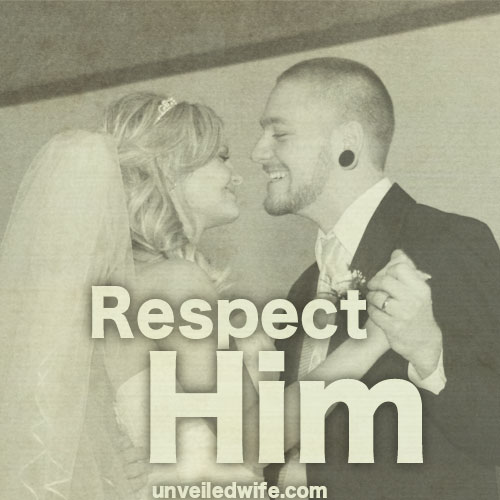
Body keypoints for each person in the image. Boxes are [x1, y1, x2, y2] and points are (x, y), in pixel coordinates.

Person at [0, 91, 390, 500]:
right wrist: (371, 342)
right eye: (221, 157)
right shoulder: (175, 283)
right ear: (170, 170)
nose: (236, 176)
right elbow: (252, 441)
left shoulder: (119, 286)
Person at [252, 58, 500, 500]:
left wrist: (430, 356)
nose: (259, 152)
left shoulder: (446, 242)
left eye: (280, 134)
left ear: (347, 142)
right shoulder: (303, 288)